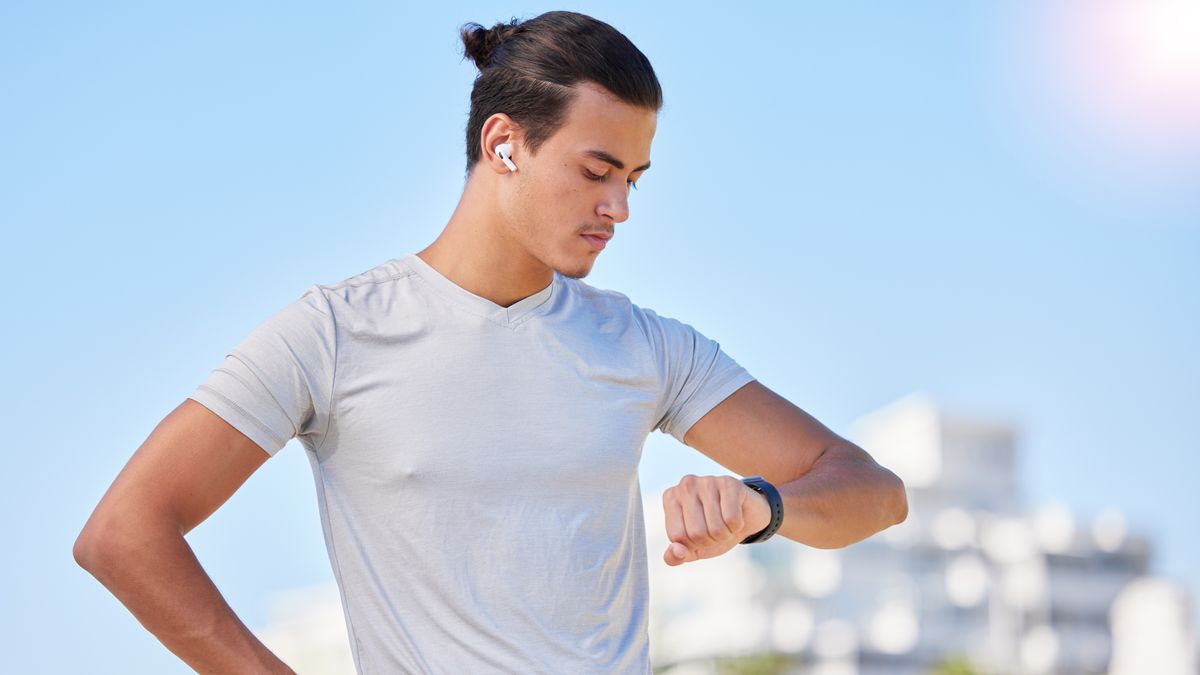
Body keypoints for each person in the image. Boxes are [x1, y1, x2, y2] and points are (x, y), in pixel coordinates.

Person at [73, 10, 908, 674]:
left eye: (634, 178)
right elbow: (124, 532)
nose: (620, 208)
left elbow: (874, 491)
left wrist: (765, 506)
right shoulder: (334, 332)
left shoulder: (646, 348)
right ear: (503, 142)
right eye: (596, 171)